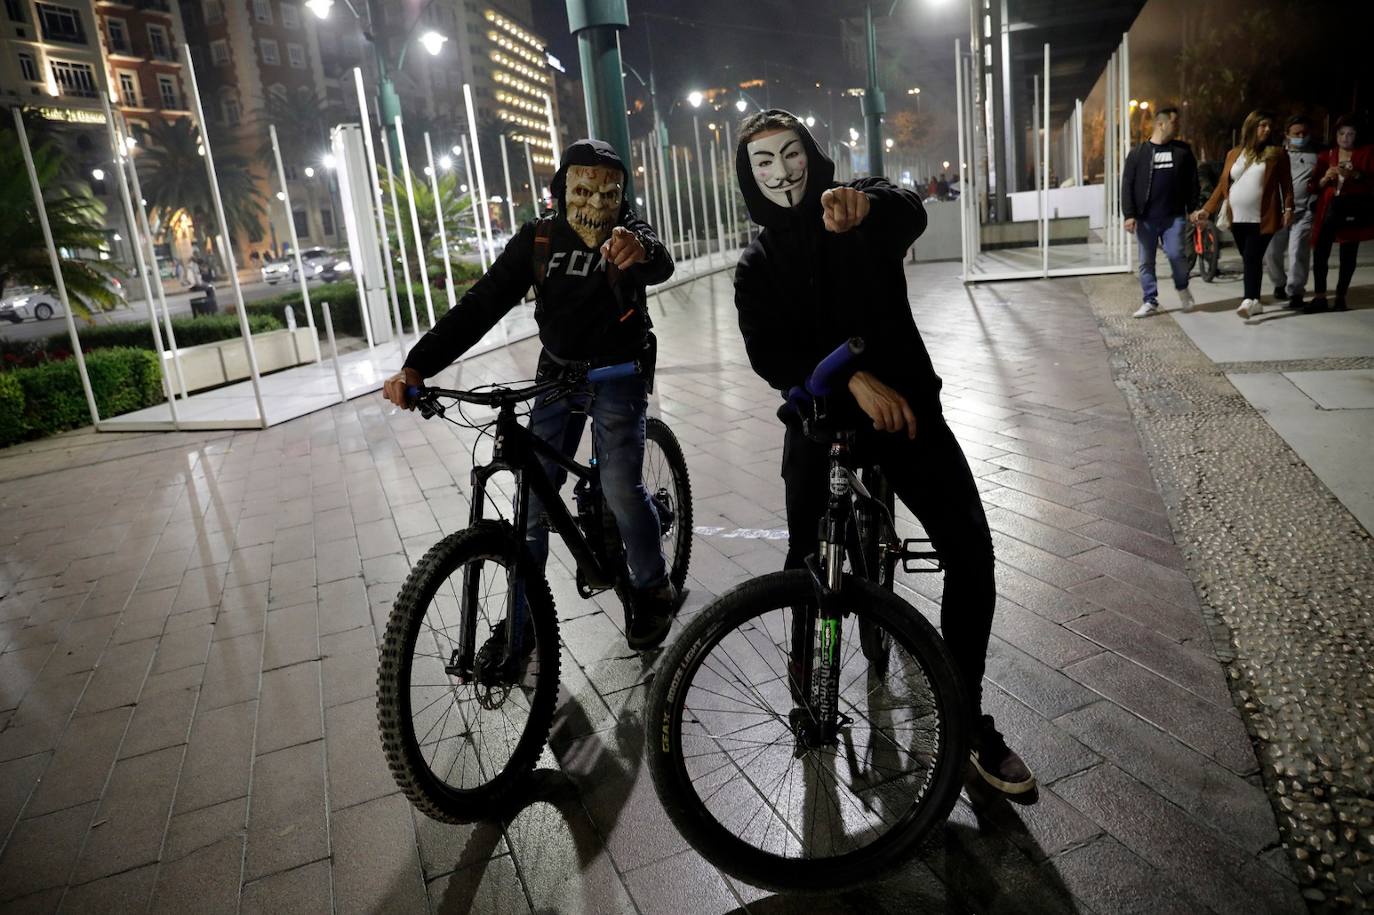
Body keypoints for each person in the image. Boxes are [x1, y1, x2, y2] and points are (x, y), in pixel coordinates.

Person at [732, 109, 1034, 796]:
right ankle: (810, 679)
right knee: (805, 559)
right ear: (748, 178)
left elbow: (908, 211)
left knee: (971, 552)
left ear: (813, 153)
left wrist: (865, 205)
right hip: (820, 419)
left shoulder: (857, 205)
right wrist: (847, 379)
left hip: (905, 413)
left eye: (791, 154)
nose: (782, 172)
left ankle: (965, 717)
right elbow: (768, 353)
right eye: (764, 163)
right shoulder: (757, 262)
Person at [382, 139, 679, 651]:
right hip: (557, 375)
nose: (595, 204)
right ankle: (522, 625)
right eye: (582, 189)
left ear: (621, 194)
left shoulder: (629, 229)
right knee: (531, 505)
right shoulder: (538, 241)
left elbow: (659, 260)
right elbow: (481, 305)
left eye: (609, 192)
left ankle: (654, 589)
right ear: (560, 189)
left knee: (620, 486)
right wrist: (417, 365)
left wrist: (639, 248)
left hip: (618, 372)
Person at [1193, 110, 1295, 319]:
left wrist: (1288, 208)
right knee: (1251, 259)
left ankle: (1248, 300)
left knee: (1251, 257)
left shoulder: (1277, 153)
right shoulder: (1234, 154)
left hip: (1264, 218)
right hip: (1237, 217)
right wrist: (1207, 210)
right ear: (1250, 127)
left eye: (1269, 126)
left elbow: (1287, 185)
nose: (1267, 129)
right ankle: (1255, 301)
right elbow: (1222, 186)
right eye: (1262, 125)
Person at [1121, 106, 1200, 318]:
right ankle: (1149, 301)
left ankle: (1182, 288)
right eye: (1175, 123)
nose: (1178, 127)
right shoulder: (1138, 154)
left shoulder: (1183, 151)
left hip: (1173, 217)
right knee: (1146, 261)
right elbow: (1127, 185)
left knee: (1176, 255)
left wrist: (1193, 208)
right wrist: (1129, 215)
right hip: (1145, 218)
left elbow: (1193, 182)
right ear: (1161, 124)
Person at [1305, 115, 1374, 313]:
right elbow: (1313, 187)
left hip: (1353, 209)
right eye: (1342, 133)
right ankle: (1320, 297)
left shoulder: (1366, 153)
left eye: (1350, 134)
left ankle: (1341, 297)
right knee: (1320, 252)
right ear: (1335, 135)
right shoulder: (1326, 156)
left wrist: (1355, 174)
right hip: (1327, 209)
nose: (1345, 138)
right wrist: (1326, 178)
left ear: (1357, 136)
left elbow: (1371, 181)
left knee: (1348, 253)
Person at [1264, 115, 1320, 310]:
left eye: (1304, 133)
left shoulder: (1317, 156)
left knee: (1298, 253)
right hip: (1278, 213)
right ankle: (1279, 283)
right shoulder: (1274, 155)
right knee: (1271, 253)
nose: (1301, 136)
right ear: (1287, 135)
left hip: (1304, 212)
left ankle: (1296, 292)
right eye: (1297, 133)